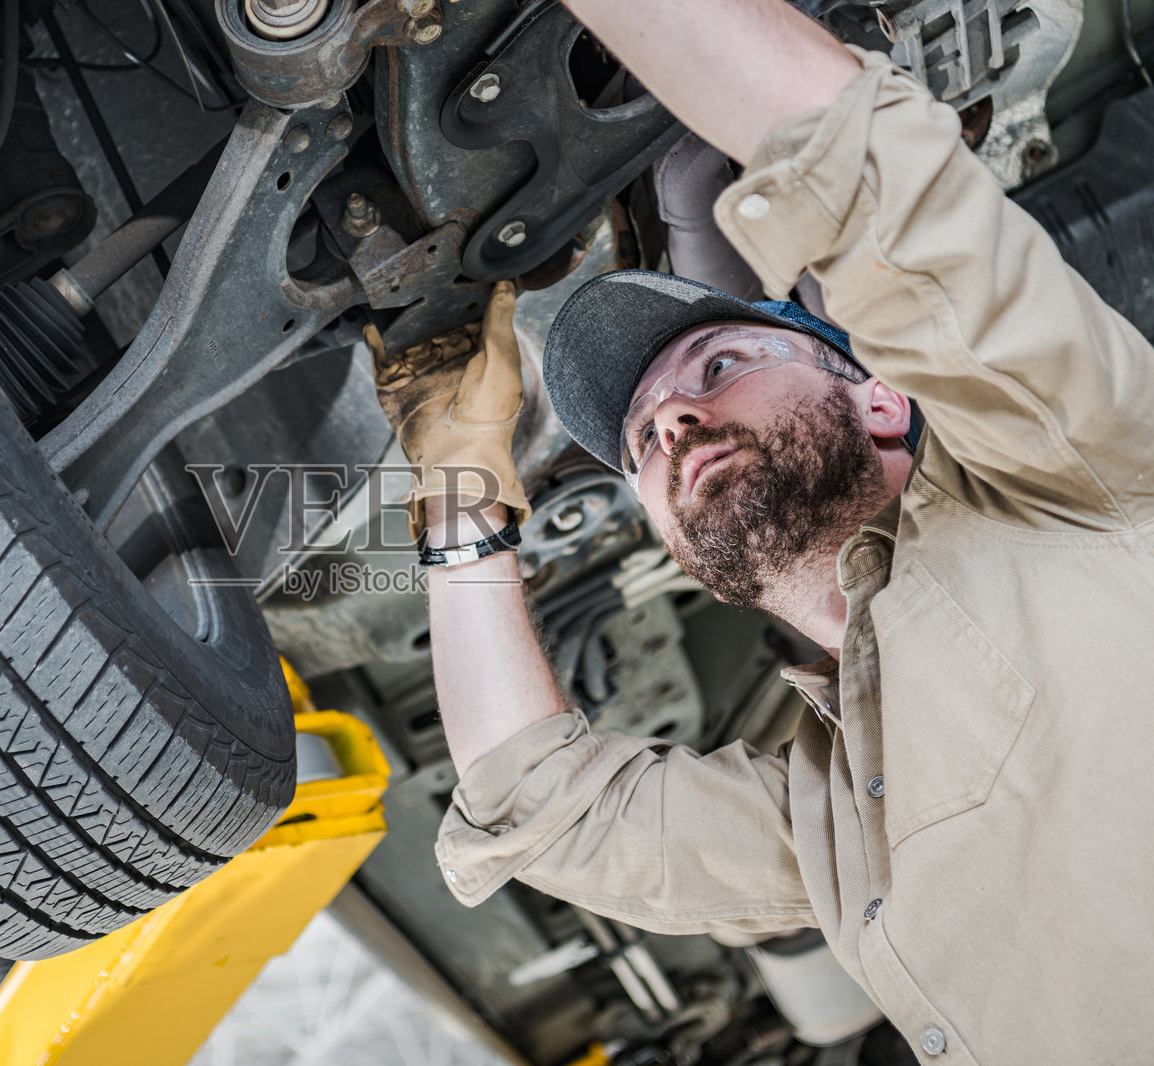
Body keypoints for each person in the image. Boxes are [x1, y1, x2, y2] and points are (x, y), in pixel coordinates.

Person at [366, 1, 1154, 1061]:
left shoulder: (1086, 479)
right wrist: (465, 474)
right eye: (645, 434)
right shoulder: (842, 804)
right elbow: (556, 813)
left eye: (719, 369)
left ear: (882, 399)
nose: (672, 421)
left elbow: (874, 183)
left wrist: (454, 505)